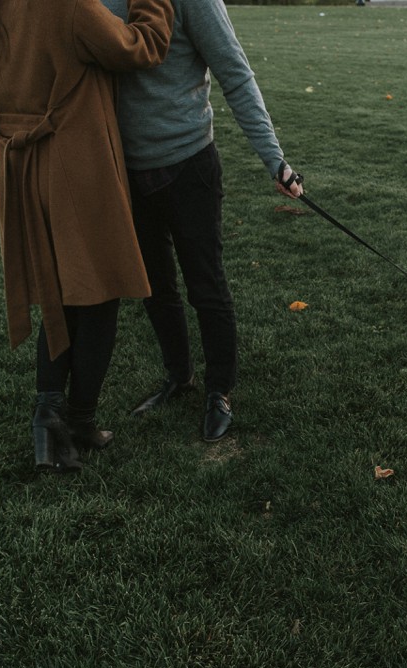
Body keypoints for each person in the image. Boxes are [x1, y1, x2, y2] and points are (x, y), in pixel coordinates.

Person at [0, 0, 174, 472]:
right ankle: (73, 420)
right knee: (100, 292)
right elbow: (141, 46)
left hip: (21, 171)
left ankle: (49, 417)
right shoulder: (67, 4)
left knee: (62, 296)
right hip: (74, 165)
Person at [100, 0, 305, 442]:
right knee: (153, 286)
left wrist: (276, 162)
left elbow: (235, 72)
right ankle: (179, 376)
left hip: (189, 164)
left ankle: (219, 391)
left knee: (206, 285)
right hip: (126, 170)